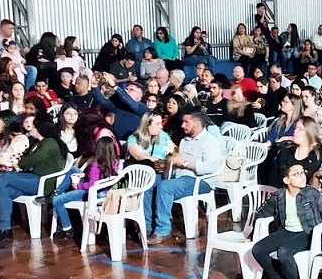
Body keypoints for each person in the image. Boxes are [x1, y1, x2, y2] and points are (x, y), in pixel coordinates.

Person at [251, 164, 322, 279]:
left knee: (284, 252)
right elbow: (261, 213)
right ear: (286, 180)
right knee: (258, 249)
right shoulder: (279, 196)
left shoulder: (312, 193)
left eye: (303, 172)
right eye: (296, 174)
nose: (302, 177)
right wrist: (250, 234)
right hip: (286, 231)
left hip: (308, 233)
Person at [0, 116, 68, 242]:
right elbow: (25, 160)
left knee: (7, 177)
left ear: (39, 128)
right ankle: (5, 228)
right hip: (33, 178)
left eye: (33, 125)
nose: (29, 128)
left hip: (44, 182)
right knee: (5, 190)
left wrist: (21, 162)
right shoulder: (38, 143)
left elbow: (27, 161)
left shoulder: (49, 143)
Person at [148, 111, 223, 243]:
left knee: (165, 187)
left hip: (201, 181)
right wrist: (169, 162)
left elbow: (210, 167)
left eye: (187, 122)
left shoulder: (210, 141)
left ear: (197, 124)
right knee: (151, 182)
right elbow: (178, 163)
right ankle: (147, 226)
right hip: (180, 177)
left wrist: (185, 163)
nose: (182, 125)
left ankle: (163, 230)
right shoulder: (184, 141)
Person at [51, 137, 121, 240]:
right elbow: (100, 178)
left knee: (57, 201)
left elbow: (92, 185)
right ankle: (57, 192)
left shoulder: (96, 165)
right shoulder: (115, 162)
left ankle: (67, 229)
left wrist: (78, 186)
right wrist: (84, 175)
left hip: (91, 193)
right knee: (73, 170)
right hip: (105, 191)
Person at [267, 117, 322, 186]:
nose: (295, 131)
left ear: (309, 132)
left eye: (300, 129)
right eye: (295, 128)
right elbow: (274, 177)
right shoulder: (286, 150)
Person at [90, 76, 149, 141]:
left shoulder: (142, 107)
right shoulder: (119, 104)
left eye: (131, 90)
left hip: (131, 142)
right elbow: (103, 102)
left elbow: (129, 102)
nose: (126, 91)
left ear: (140, 95)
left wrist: (115, 87)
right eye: (126, 89)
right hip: (115, 140)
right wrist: (94, 86)